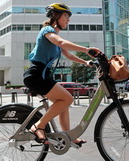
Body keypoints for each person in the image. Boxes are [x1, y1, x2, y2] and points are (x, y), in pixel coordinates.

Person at [23, 3, 101, 146]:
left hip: (43, 76)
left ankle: (68, 136)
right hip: (36, 75)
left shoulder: (55, 37)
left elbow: (69, 55)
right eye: (66, 16)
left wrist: (86, 62)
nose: (68, 20)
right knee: (67, 99)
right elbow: (61, 42)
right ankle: (38, 126)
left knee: (63, 103)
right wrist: (87, 49)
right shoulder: (47, 31)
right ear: (56, 16)